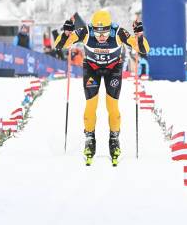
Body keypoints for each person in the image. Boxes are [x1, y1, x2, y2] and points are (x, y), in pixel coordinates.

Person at [54, 10, 150, 166]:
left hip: (114, 69)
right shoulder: (86, 31)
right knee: (91, 105)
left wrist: (139, 36)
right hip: (92, 68)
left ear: (110, 27)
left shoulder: (118, 32)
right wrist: (66, 34)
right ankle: (90, 137)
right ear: (93, 28)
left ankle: (114, 138)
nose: (101, 36)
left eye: (105, 31)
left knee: (112, 106)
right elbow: (59, 45)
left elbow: (144, 49)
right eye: (98, 32)